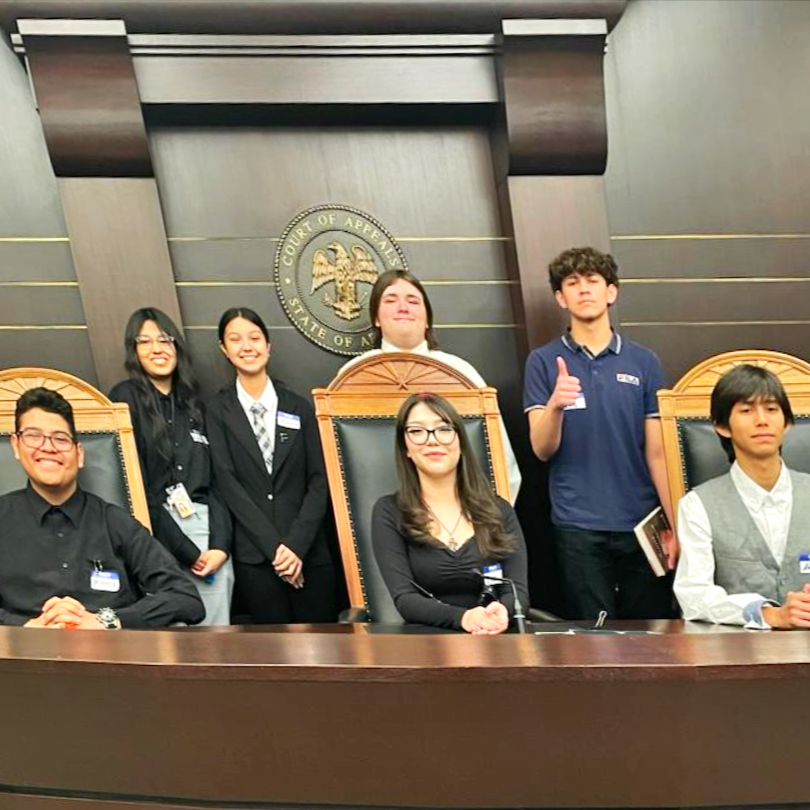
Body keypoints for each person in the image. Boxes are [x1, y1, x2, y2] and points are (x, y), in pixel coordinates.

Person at [524, 246, 677, 620]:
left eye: (593, 280)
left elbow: (658, 453)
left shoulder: (644, 361)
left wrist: (676, 525)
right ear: (561, 298)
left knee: (652, 637)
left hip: (642, 523)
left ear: (612, 292)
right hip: (577, 525)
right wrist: (556, 406)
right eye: (573, 283)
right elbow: (542, 450)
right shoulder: (543, 362)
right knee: (593, 641)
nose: (584, 289)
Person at [0, 387, 204, 628]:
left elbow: (187, 599)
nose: (48, 447)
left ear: (79, 454)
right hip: (19, 659)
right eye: (33, 436)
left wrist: (108, 621)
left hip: (112, 655)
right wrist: (25, 628)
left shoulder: (115, 521)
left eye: (60, 438)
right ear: (16, 445)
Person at [339, 269, 522, 503]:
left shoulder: (461, 374)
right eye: (391, 300)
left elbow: (500, 460)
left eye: (413, 301)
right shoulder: (353, 377)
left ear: (427, 318)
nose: (403, 307)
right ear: (376, 316)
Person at [206, 307, 338, 624]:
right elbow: (228, 484)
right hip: (256, 558)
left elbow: (320, 481)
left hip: (309, 553)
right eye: (235, 340)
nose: (246, 347)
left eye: (254, 337)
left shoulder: (298, 407)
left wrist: (295, 547)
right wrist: (276, 551)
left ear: (269, 345)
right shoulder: (216, 410)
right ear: (224, 349)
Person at [110, 307, 234, 626]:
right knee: (173, 641)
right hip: (152, 533)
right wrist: (186, 551)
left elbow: (220, 483)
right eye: (145, 341)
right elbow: (133, 485)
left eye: (165, 340)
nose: (157, 349)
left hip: (206, 532)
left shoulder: (197, 404)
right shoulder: (124, 399)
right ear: (133, 350)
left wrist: (220, 546)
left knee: (216, 639)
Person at [372, 392, 529, 633]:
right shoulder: (389, 512)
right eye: (417, 431)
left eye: (444, 429)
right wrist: (464, 618)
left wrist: (502, 612)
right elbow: (405, 599)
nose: (432, 440)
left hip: (497, 638)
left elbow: (517, 591)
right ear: (406, 448)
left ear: (460, 441)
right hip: (428, 645)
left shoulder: (499, 509)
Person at [674, 364, 810, 629]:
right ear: (722, 426)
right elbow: (693, 596)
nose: (762, 420)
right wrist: (768, 614)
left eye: (771, 409)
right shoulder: (697, 505)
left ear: (788, 423)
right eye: (746, 410)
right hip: (736, 651)